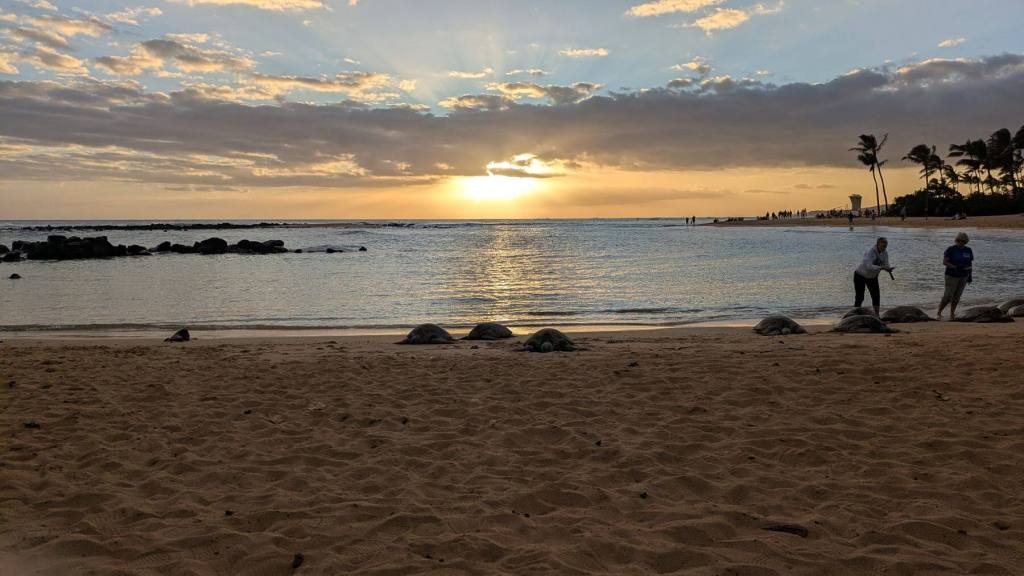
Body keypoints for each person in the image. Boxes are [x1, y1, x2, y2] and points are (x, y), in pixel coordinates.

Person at [937, 232, 974, 320]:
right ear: (956, 240)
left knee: (957, 297)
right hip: (951, 276)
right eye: (959, 240)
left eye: (963, 241)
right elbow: (944, 262)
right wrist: (955, 267)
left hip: (964, 276)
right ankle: (939, 312)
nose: (961, 242)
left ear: (966, 242)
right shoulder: (951, 249)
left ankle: (952, 313)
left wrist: (970, 276)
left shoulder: (968, 250)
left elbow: (970, 264)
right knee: (948, 296)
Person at [853, 237, 894, 316]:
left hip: (872, 277)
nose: (884, 248)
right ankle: (855, 315)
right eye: (882, 246)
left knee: (876, 296)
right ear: (877, 244)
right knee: (860, 297)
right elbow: (868, 266)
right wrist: (881, 267)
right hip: (860, 275)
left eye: (885, 246)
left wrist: (888, 268)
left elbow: (886, 263)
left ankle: (877, 316)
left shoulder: (885, 252)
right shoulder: (870, 252)